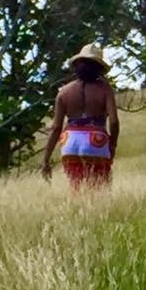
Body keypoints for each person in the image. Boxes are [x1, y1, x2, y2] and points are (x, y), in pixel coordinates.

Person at [41, 44, 119, 188]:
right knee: (100, 187)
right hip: (97, 139)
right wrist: (112, 144)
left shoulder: (64, 92)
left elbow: (56, 128)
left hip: (69, 141)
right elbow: (113, 122)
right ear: (98, 68)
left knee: (76, 186)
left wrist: (46, 160)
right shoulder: (105, 89)